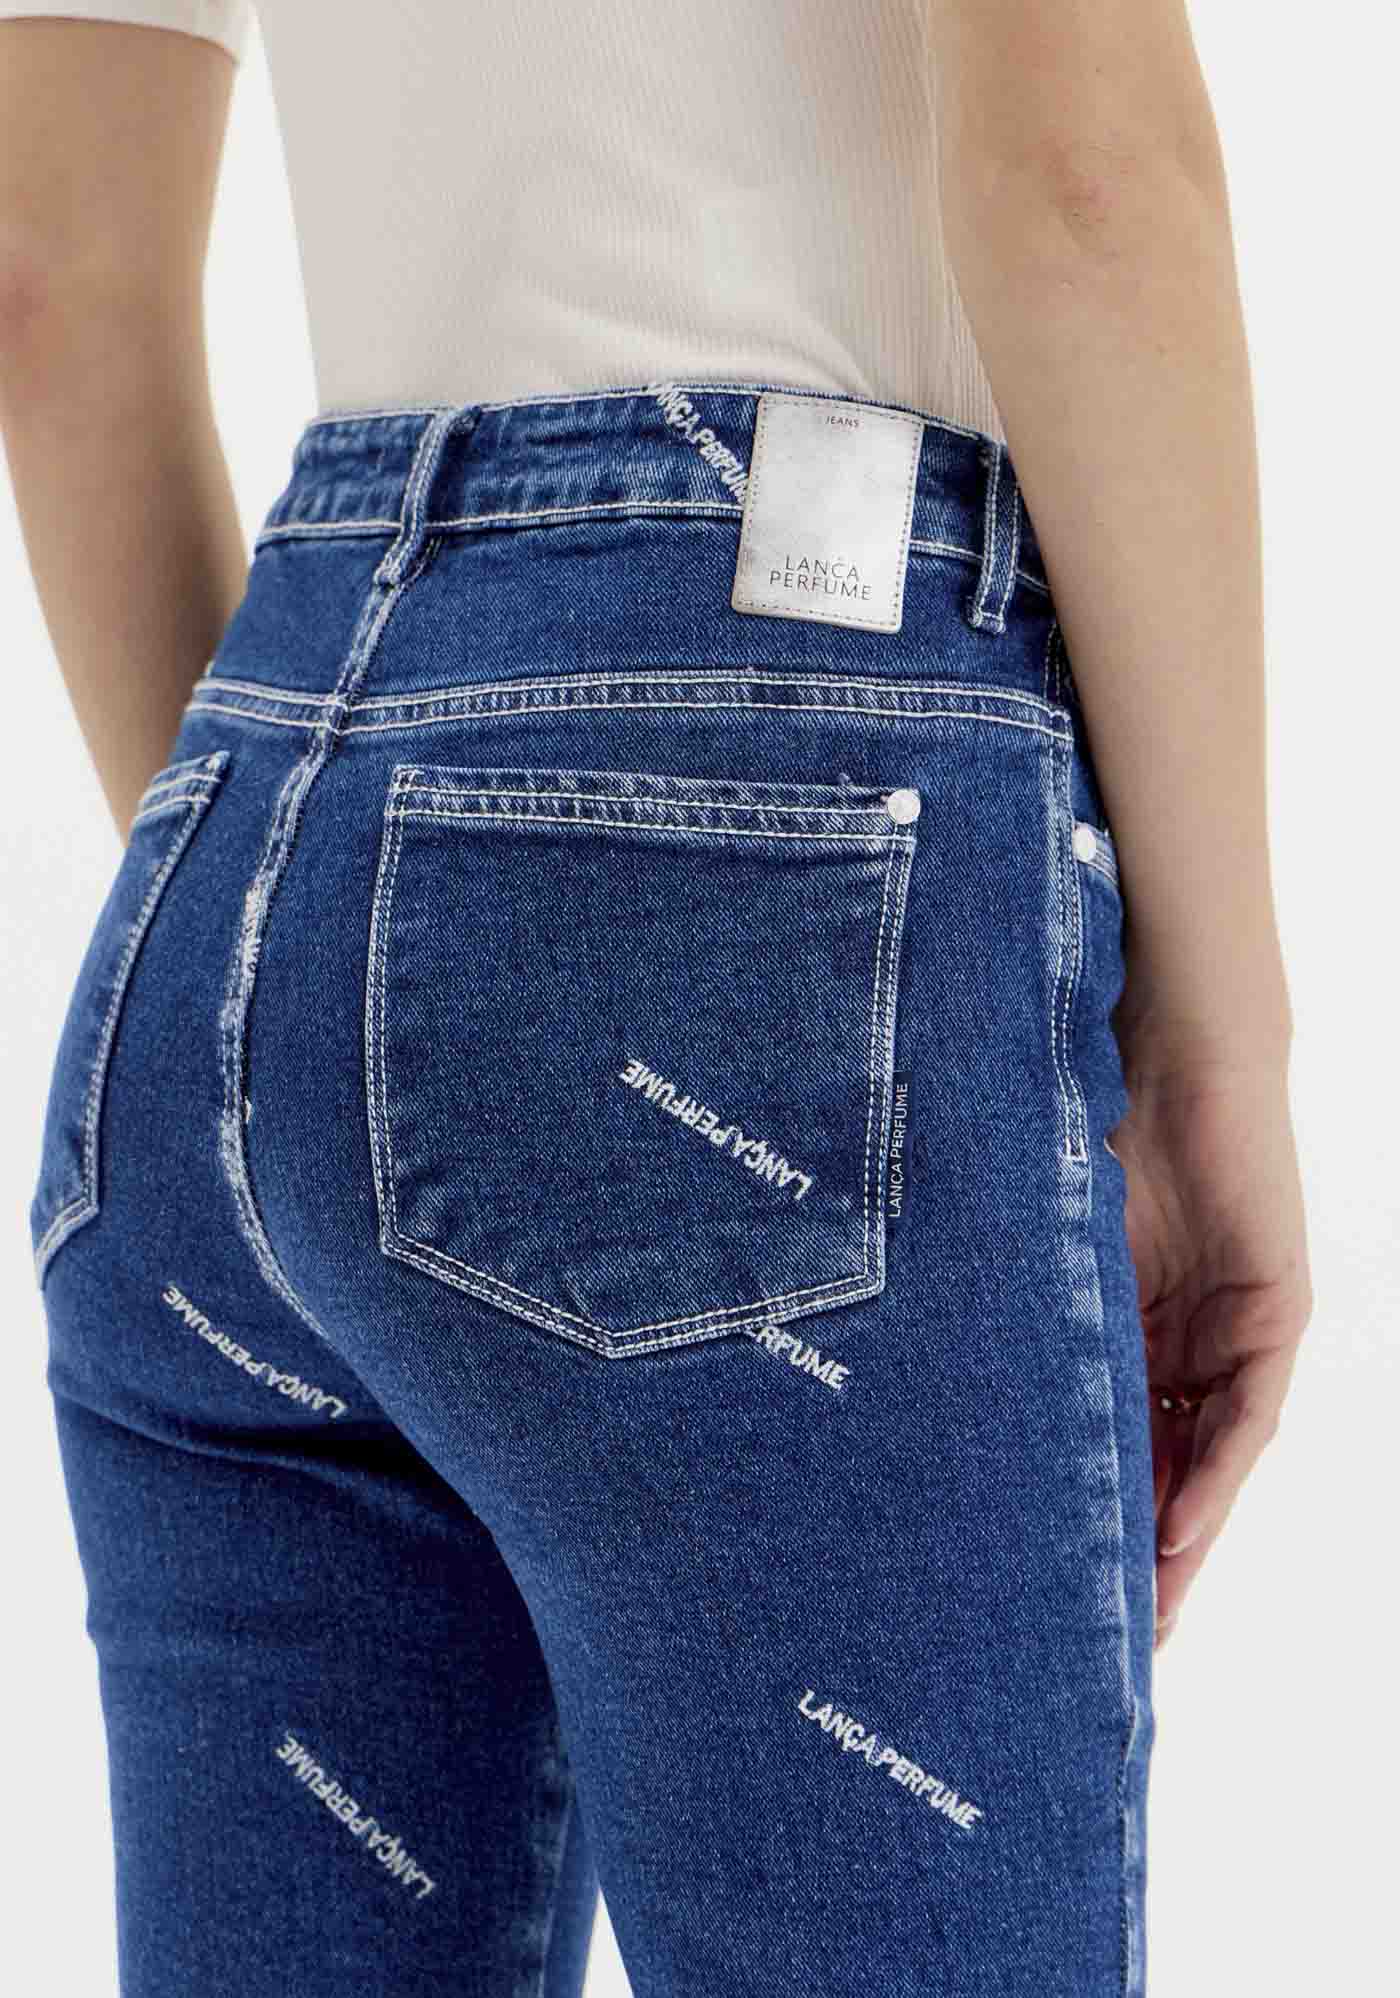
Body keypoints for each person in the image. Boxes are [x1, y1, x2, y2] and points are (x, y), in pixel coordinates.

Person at [0, 5, 1312, 1994]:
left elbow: (46, 283)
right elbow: (1086, 177)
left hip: (224, 873)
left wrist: (329, 1010)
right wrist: (1219, 1049)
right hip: (762, 792)